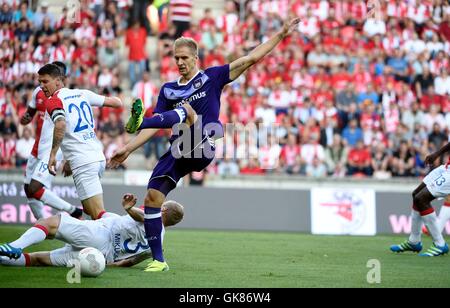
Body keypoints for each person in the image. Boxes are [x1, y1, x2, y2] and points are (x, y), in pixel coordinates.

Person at [109, 18, 301, 272]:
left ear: (196, 58)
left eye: (185, 58)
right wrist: (127, 149)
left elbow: (249, 59)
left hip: (202, 143)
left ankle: (138, 121)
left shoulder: (212, 77)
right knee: (153, 198)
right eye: (176, 58)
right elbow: (158, 125)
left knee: (186, 111)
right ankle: (158, 261)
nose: (180, 62)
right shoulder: (167, 90)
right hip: (178, 150)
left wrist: (280, 34)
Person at [0, 194, 184, 268]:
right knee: (39, 259)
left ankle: (14, 246)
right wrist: (106, 264)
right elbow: (129, 262)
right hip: (102, 256)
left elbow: (143, 218)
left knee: (50, 222)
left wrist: (129, 208)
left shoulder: (152, 215)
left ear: (164, 210)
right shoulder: (157, 243)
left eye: (162, 205)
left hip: (101, 236)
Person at [37, 63, 123, 220]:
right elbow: (117, 102)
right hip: (97, 157)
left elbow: (61, 124)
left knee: (99, 215)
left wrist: (53, 155)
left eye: (45, 81)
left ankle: (130, 228)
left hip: (83, 162)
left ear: (58, 80)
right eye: (39, 82)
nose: (41, 86)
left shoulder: (53, 100)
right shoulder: (82, 93)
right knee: (89, 211)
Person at [21, 61, 83, 220]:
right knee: (28, 189)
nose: (43, 84)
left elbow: (71, 130)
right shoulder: (38, 92)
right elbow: (30, 112)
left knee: (34, 187)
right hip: (37, 147)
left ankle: (71, 211)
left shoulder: (68, 97)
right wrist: (25, 118)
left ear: (62, 79)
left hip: (53, 150)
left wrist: (68, 158)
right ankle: (42, 225)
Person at [390, 141, 450, 256]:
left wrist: (437, 153)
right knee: (416, 195)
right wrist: (437, 154)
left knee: (422, 198)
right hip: (446, 167)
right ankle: (414, 241)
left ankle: (440, 244)